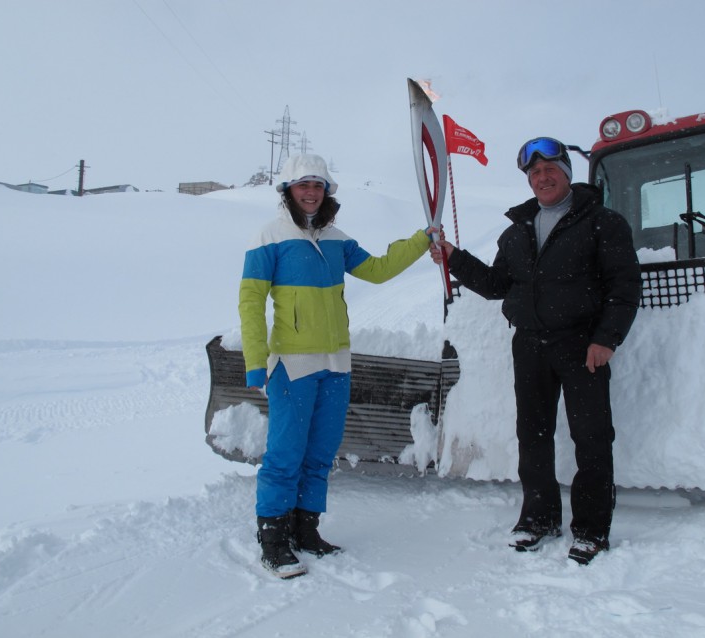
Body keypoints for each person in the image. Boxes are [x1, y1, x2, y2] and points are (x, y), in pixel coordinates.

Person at [429, 137, 641, 565]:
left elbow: (624, 286)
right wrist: (452, 256)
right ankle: (539, 517)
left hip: (582, 344)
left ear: (567, 173)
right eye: (534, 173)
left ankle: (591, 529)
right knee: (534, 436)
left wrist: (606, 339)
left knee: (592, 438)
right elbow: (495, 285)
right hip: (529, 345)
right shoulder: (517, 232)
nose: (542, 178)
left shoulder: (602, 222)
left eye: (550, 170)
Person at [239, 153, 435, 579]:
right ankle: (273, 539)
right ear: (287, 191)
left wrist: (423, 240)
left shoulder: (337, 238)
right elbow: (251, 304)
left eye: (318, 185)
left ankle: (306, 530)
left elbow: (379, 271)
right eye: (303, 185)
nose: (311, 192)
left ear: (326, 192)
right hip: (291, 365)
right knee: (285, 455)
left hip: (336, 363)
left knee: (320, 453)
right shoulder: (268, 238)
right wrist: (256, 362)